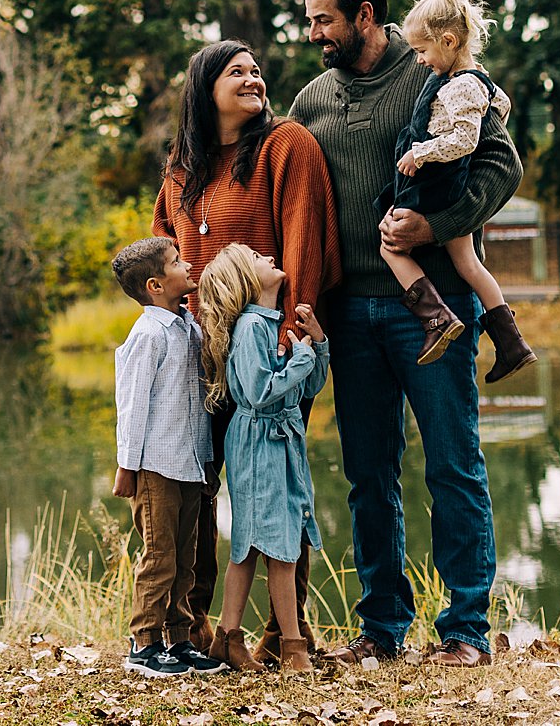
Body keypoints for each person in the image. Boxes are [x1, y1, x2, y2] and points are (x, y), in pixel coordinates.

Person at [289, 0, 522, 669]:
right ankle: (383, 627)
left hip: (434, 307)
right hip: (350, 313)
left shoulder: (436, 72)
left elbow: (500, 166)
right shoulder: (312, 101)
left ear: (365, 17)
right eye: (309, 21)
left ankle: (465, 630)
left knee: (453, 465)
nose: (314, 34)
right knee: (368, 474)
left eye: (324, 20)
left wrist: (437, 224)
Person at [150, 39, 340, 660]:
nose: (254, 79)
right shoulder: (183, 166)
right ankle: (196, 628)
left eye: (257, 71)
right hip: (199, 356)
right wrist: (171, 327)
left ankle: (287, 634)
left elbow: (302, 243)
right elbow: (163, 244)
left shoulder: (287, 146)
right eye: (237, 72)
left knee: (279, 487)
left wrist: (290, 343)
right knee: (198, 489)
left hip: (264, 352)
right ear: (205, 89)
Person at [382, 0, 537, 382]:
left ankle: (436, 320)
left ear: (449, 41)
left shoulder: (459, 86)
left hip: (435, 183)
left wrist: (422, 152)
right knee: (469, 263)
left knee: (389, 245)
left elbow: (465, 140)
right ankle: (511, 342)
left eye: (421, 51)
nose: (418, 61)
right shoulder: (478, 79)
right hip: (447, 182)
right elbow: (500, 104)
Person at [194, 243, 330, 675]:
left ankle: (227, 639)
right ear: (246, 282)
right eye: (257, 258)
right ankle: (293, 648)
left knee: (252, 545)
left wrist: (317, 343)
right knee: (281, 547)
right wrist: (302, 358)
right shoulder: (252, 327)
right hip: (259, 443)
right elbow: (258, 393)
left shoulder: (268, 325)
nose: (269, 258)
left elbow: (308, 388)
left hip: (278, 442)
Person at [110, 236, 229, 678]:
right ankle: (144, 644)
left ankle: (179, 641)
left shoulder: (189, 327)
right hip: (156, 466)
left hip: (190, 461)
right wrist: (127, 466)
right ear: (157, 285)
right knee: (159, 557)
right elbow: (133, 404)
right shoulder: (147, 335)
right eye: (178, 262)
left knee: (186, 559)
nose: (188, 264)